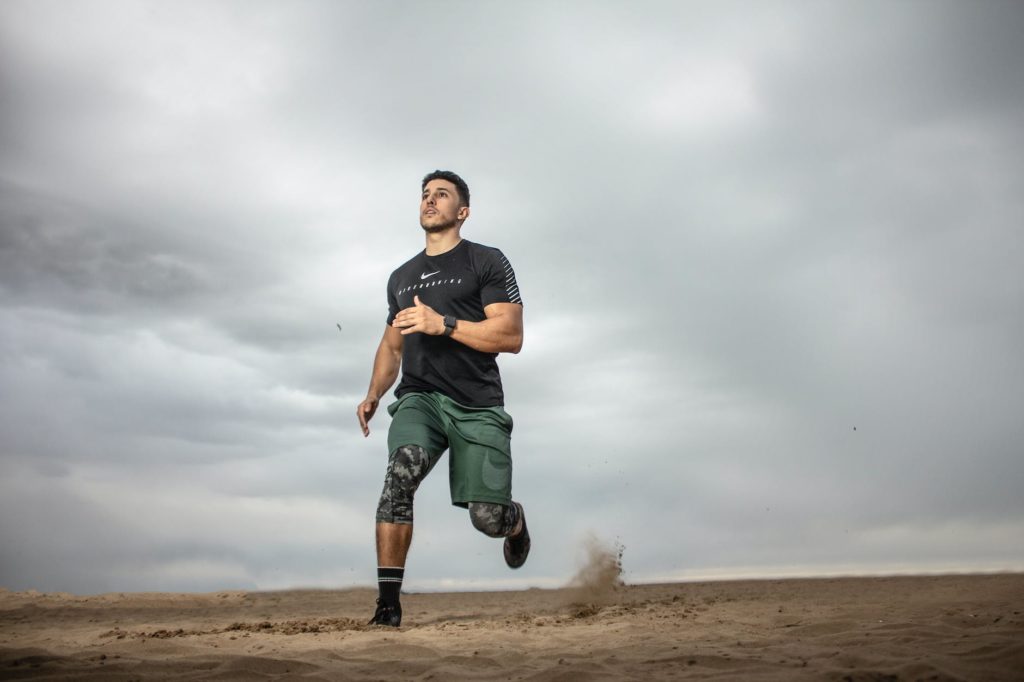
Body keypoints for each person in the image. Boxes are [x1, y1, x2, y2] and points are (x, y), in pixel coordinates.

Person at [356, 170, 530, 627]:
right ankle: (388, 606)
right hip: (421, 399)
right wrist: (375, 391)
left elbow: (511, 336)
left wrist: (445, 325)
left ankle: (514, 520)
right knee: (399, 475)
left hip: (476, 403)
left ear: (463, 211)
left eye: (442, 195)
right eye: (425, 195)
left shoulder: (486, 261)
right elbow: (392, 344)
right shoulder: (402, 276)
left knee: (486, 518)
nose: (430, 201)